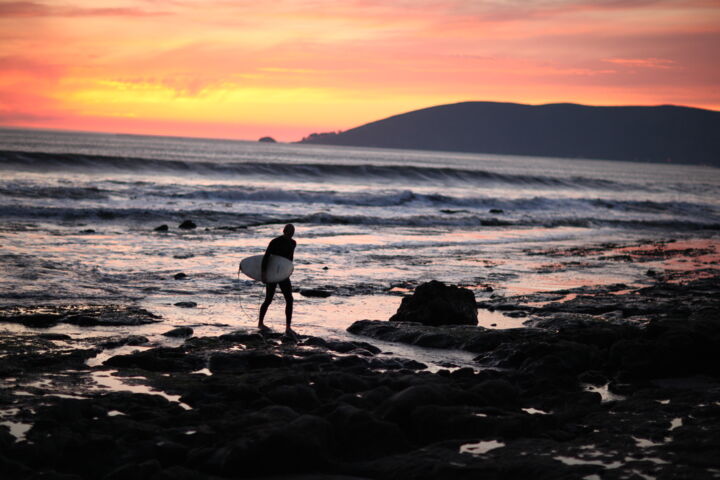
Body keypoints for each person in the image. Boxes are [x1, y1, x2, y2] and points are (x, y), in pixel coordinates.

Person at [258, 224, 296, 336]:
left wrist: (289, 271)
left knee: (289, 299)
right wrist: (264, 274)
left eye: (292, 231)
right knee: (268, 299)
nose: (290, 233)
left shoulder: (293, 243)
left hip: (283, 274)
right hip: (272, 273)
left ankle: (288, 327)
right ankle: (260, 323)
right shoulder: (275, 241)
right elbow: (266, 257)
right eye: (288, 231)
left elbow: (290, 259)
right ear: (284, 231)